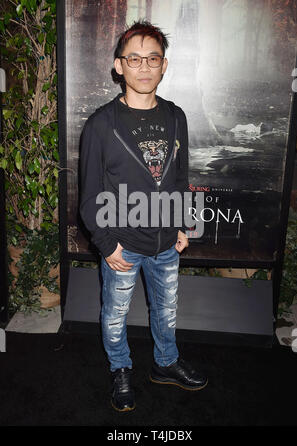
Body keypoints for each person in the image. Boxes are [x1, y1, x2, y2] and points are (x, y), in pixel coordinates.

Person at [80, 20, 208, 412]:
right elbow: (88, 196)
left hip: (166, 242)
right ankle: (120, 369)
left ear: (164, 65)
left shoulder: (176, 116)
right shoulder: (101, 124)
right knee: (114, 316)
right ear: (119, 66)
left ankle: (165, 364)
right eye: (134, 59)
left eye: (152, 58)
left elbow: (180, 177)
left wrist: (184, 223)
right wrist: (107, 243)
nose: (144, 67)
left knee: (166, 311)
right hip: (122, 244)